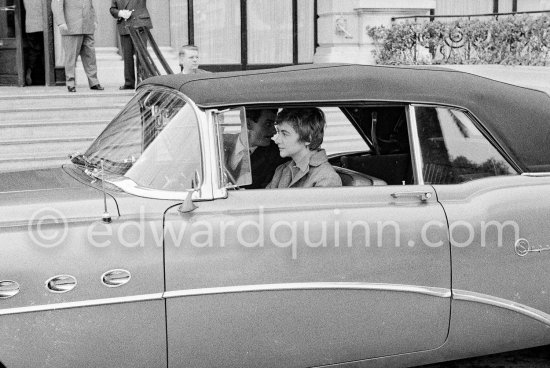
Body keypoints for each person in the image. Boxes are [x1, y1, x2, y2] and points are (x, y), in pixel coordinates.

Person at [267, 108, 342, 189]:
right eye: (279, 132)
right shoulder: (282, 170)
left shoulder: (326, 177)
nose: (277, 140)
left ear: (308, 138)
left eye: (285, 134)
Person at [224, 108, 286, 189]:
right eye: (268, 124)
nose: (274, 131)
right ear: (248, 123)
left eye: (273, 124)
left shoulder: (278, 156)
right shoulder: (220, 142)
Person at [51, 0, 103, 92]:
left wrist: (94, 19)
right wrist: (61, 22)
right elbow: (56, 5)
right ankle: (70, 83)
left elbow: (90, 5)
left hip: (87, 25)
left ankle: (94, 82)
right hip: (71, 27)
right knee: (71, 57)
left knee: (90, 56)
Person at [110, 0, 153, 90]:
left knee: (141, 56)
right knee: (127, 56)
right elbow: (112, 9)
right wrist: (120, 13)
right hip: (125, 26)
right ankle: (129, 82)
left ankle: (142, 82)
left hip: (139, 24)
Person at [22, 0, 44, 85]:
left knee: (33, 50)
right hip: (43, 26)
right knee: (45, 52)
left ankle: (29, 71)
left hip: (30, 26)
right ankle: (44, 75)